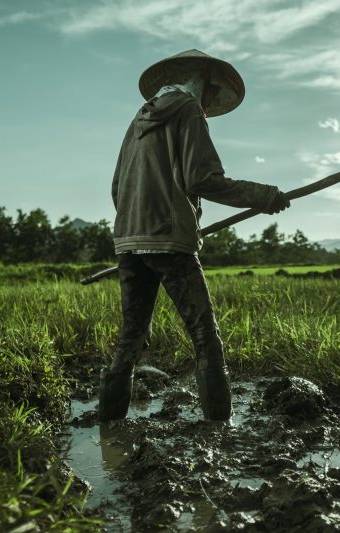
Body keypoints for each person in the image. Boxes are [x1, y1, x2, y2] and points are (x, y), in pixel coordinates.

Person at [100, 49, 290, 422]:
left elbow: (117, 187)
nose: (209, 103)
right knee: (205, 335)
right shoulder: (189, 111)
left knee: (131, 338)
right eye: (211, 94)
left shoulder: (137, 120)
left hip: (127, 239)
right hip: (168, 241)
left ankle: (109, 428)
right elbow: (202, 179)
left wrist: (139, 223)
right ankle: (219, 429)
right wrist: (264, 195)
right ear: (201, 83)